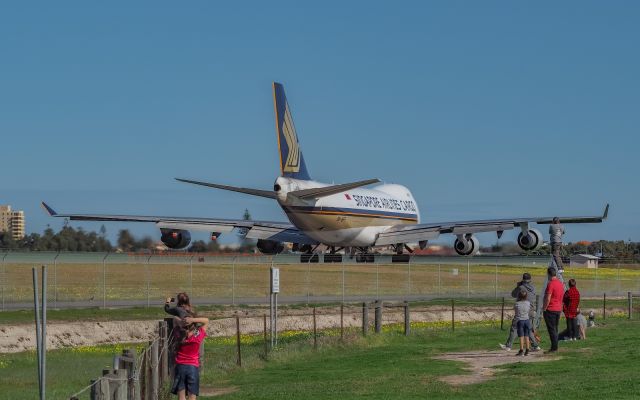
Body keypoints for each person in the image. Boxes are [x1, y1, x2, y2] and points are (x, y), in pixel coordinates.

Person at [499, 273, 540, 351]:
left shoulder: (521, 287)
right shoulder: (533, 287)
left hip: (522, 310)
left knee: (514, 328)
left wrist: (518, 286)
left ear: (523, 279)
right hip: (531, 310)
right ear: (530, 280)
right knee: (528, 329)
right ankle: (535, 345)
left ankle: (508, 346)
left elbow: (513, 294)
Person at [171, 315, 209, 400]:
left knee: (181, 397)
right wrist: (192, 319)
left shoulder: (179, 334)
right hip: (193, 367)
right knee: (192, 397)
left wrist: (182, 321)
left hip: (180, 367)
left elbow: (174, 319)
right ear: (193, 325)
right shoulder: (197, 335)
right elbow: (206, 320)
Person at [543, 267, 564, 353]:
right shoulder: (560, 283)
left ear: (549, 274)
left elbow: (548, 297)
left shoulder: (551, 284)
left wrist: (544, 308)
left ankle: (554, 347)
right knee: (555, 328)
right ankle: (555, 346)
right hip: (558, 308)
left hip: (551, 309)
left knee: (551, 329)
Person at [514, 290, 532, 356]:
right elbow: (529, 310)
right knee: (527, 335)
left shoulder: (517, 304)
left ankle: (521, 350)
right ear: (526, 296)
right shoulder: (528, 303)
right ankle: (527, 350)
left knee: (521, 336)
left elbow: (516, 313)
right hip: (527, 320)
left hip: (520, 320)